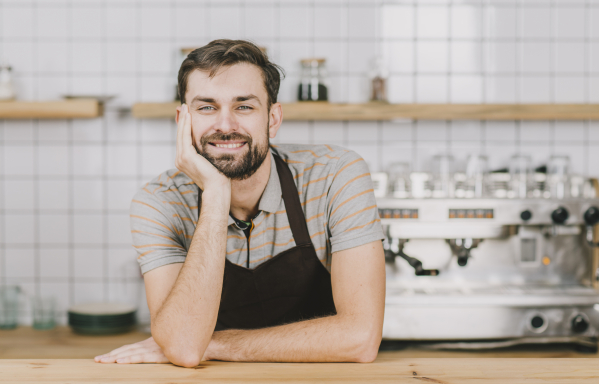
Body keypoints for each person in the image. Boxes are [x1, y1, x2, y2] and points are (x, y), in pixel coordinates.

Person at [94, 39, 385, 367]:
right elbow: (186, 348)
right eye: (207, 107)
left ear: (272, 119)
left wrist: (215, 344)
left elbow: (360, 339)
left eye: (244, 106)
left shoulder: (336, 175)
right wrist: (217, 193)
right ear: (182, 120)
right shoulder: (159, 203)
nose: (225, 125)